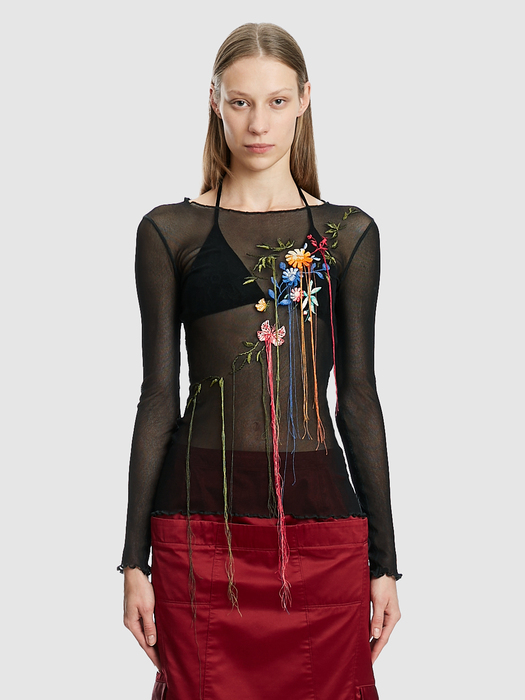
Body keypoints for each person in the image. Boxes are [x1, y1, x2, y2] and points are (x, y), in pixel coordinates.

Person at [118, 22, 402, 700]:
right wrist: (132, 562)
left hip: (321, 524)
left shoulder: (346, 234)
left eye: (276, 101)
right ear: (214, 101)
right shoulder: (169, 230)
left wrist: (386, 564)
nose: (258, 124)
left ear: (304, 100)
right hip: (196, 528)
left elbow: (358, 398)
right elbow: (158, 398)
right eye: (240, 101)